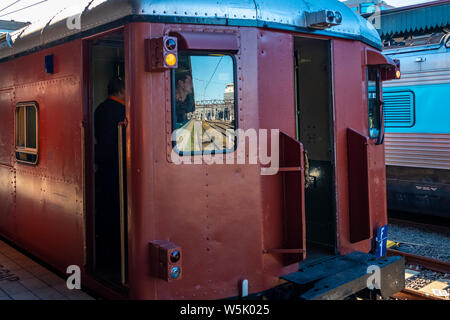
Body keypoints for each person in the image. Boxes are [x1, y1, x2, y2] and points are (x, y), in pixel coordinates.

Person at [94, 77, 126, 275]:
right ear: (121, 90)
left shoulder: (99, 109)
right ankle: (117, 253)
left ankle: (106, 248)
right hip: (119, 166)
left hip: (104, 164)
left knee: (106, 206)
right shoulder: (122, 111)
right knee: (117, 208)